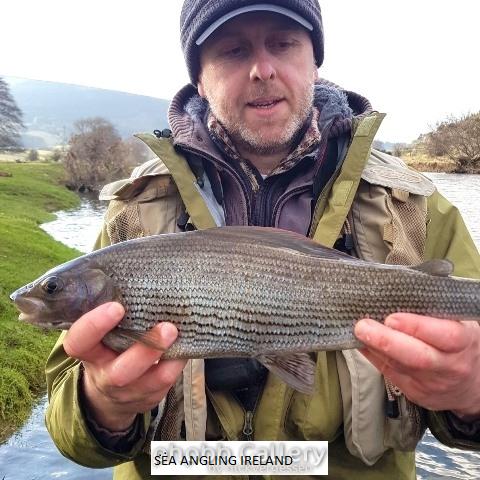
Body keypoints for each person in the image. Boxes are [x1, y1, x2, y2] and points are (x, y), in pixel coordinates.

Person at [45, 1, 480, 478]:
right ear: (199, 78)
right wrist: (102, 404)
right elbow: (68, 425)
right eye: (232, 50)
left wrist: (472, 393)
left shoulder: (413, 208)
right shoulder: (134, 212)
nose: (262, 69)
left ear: (314, 59)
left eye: (283, 43)